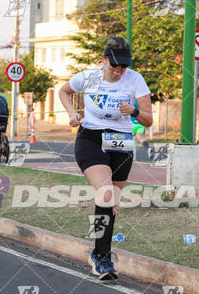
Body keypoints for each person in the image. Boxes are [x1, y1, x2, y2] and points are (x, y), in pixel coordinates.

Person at [59, 36, 152, 280]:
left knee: (111, 203)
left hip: (121, 142)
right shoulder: (88, 77)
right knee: (106, 193)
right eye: (114, 65)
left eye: (124, 66)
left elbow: (148, 119)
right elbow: (64, 91)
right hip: (91, 138)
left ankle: (99, 251)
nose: (119, 70)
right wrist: (72, 113)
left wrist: (134, 111)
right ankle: (103, 257)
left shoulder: (136, 79)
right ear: (104, 59)